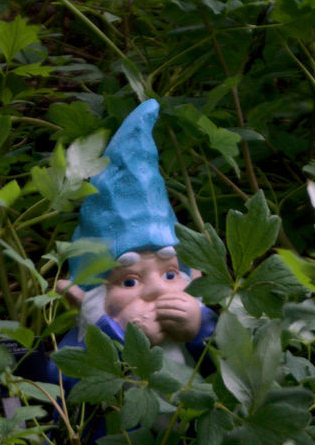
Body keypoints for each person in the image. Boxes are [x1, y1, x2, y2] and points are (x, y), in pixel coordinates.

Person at [40, 99, 215, 385]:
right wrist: (118, 338)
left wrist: (200, 328)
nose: (158, 289)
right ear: (77, 299)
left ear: (194, 275)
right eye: (129, 281)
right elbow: (63, 381)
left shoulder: (194, 330)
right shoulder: (77, 344)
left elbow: (232, 368)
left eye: (171, 273)